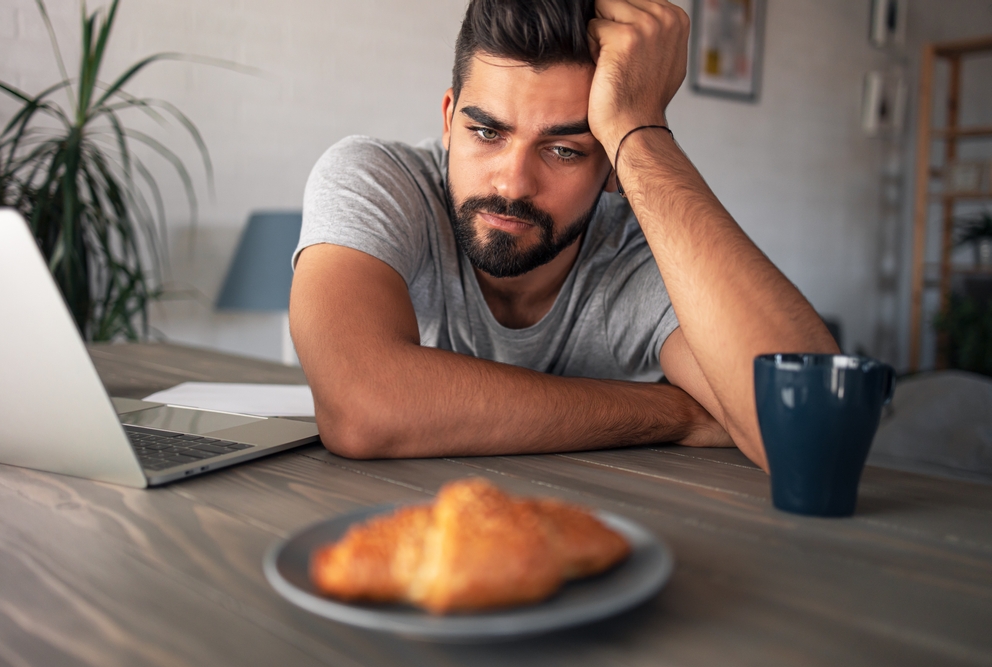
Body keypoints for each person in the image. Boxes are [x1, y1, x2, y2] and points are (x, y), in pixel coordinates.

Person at [290, 0, 838, 471]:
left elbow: (814, 437)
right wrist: (675, 413)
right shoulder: (376, 180)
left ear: (613, 168)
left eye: (565, 150)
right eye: (485, 132)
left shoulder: (640, 255)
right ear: (448, 117)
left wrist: (639, 128)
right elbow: (361, 409)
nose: (512, 182)